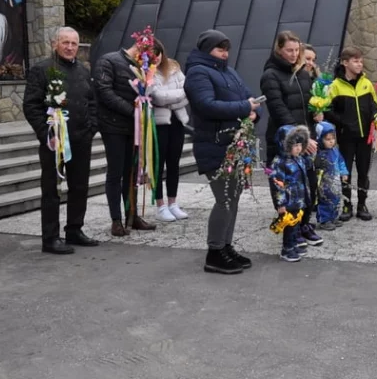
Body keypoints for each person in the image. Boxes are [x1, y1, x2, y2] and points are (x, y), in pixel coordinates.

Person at [184, 30, 262, 274]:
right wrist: (244, 108)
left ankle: (226, 247)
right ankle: (214, 252)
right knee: (225, 199)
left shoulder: (228, 71)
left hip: (232, 144)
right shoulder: (198, 72)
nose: (225, 53)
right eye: (220, 49)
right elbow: (206, 106)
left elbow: (248, 97)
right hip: (214, 144)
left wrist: (253, 111)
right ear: (208, 50)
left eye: (227, 49)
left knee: (233, 198)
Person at [23, 27, 99, 254]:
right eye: (65, 42)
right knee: (51, 190)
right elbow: (31, 106)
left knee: (79, 187)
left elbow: (92, 102)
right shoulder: (42, 70)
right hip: (53, 143)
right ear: (55, 44)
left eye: (74, 43)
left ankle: (74, 229)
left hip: (80, 140)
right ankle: (51, 238)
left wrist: (91, 128)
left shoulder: (84, 71)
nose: (70, 47)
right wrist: (47, 134)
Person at [94, 34, 158, 236]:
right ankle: (116, 219)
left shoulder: (142, 67)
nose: (150, 61)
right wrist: (133, 112)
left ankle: (132, 215)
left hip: (135, 128)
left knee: (132, 173)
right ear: (141, 48)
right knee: (115, 173)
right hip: (113, 126)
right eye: (150, 56)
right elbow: (105, 92)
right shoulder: (109, 60)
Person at [261, 31, 321, 240]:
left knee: (309, 185)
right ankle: (291, 231)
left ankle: (304, 224)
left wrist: (319, 111)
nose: (294, 54)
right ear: (278, 49)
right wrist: (301, 139)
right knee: (288, 190)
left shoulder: (302, 73)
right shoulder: (270, 75)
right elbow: (279, 109)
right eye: (289, 50)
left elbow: (308, 104)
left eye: (297, 50)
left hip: (306, 137)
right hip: (284, 141)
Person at [326, 47, 377, 222]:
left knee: (364, 172)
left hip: (365, 137)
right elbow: (327, 110)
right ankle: (347, 205)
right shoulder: (335, 86)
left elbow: (375, 105)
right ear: (345, 62)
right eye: (355, 61)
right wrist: (343, 123)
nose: (359, 64)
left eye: (361, 61)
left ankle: (362, 205)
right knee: (345, 172)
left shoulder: (366, 83)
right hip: (346, 137)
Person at [150, 39, 190, 222]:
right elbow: (156, 97)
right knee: (159, 164)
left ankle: (173, 202)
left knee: (174, 163)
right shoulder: (146, 71)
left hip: (177, 121)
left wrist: (169, 99)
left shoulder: (173, 67)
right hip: (159, 124)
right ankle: (160, 205)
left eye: (157, 54)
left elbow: (187, 92)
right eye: (151, 55)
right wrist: (174, 97)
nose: (155, 58)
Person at [269, 125, 316, 262]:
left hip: (299, 199)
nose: (299, 148)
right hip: (289, 201)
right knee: (289, 225)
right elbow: (277, 184)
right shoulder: (279, 163)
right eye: (295, 145)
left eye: (300, 145)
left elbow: (307, 166)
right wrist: (281, 203)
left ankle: (294, 244)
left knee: (296, 224)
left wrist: (312, 154)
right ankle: (287, 249)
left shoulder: (298, 158)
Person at [313, 121, 348, 230]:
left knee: (336, 198)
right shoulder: (318, 153)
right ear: (320, 139)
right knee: (325, 200)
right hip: (324, 183)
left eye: (332, 139)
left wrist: (344, 173)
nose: (331, 141)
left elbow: (341, 161)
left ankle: (333, 217)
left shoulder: (335, 150)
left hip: (335, 180)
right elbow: (314, 166)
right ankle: (324, 220)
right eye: (327, 139)